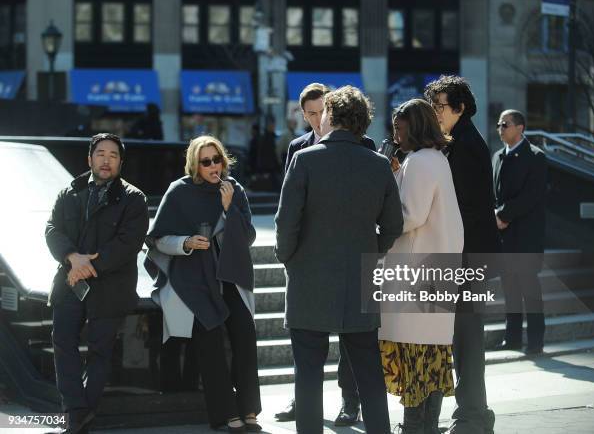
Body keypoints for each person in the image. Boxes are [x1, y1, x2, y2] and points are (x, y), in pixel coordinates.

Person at [275, 85, 404, 433]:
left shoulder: (305, 159)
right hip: (358, 277)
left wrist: (289, 258)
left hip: (308, 277)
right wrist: (372, 250)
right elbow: (394, 224)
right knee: (368, 373)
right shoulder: (378, 164)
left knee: (308, 375)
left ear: (330, 116)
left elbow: (286, 221)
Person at [145, 136, 261, 433]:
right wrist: (186, 242)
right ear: (195, 164)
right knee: (210, 344)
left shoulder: (235, 190)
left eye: (217, 159)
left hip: (231, 277)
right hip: (194, 279)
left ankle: (248, 408)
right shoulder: (179, 191)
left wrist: (227, 208)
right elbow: (158, 239)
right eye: (205, 161)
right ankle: (225, 413)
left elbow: (247, 237)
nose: (213, 166)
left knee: (245, 336)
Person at [45, 133, 149, 434]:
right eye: (100, 153)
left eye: (113, 155)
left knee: (99, 350)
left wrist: (87, 265)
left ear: (120, 162)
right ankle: (75, 411)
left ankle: (78, 416)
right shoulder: (70, 191)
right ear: (89, 158)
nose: (106, 160)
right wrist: (71, 258)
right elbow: (52, 229)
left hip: (111, 285)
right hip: (69, 280)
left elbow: (128, 243)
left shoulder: (133, 198)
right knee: (63, 343)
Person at [379, 99, 463, 434]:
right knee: (434, 358)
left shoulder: (419, 161)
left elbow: (408, 215)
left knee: (415, 356)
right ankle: (425, 426)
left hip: (416, 272)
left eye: (400, 127)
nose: (396, 135)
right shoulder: (436, 159)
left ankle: (415, 427)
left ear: (414, 127)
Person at [424, 75, 500, 434]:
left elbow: (465, 209)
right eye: (433, 105)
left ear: (460, 108)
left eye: (440, 106)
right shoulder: (455, 142)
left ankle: (473, 415)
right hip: (461, 255)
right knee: (460, 339)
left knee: (467, 340)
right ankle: (472, 414)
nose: (435, 112)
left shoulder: (467, 145)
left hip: (468, 258)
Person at [492, 109, 547, 355]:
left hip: (526, 236)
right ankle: (512, 338)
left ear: (520, 128)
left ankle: (535, 341)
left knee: (530, 290)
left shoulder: (536, 157)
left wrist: (503, 215)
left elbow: (532, 196)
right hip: (504, 238)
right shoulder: (496, 156)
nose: (500, 128)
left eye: (505, 124)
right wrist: (495, 215)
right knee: (510, 289)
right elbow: (492, 193)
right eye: (499, 125)